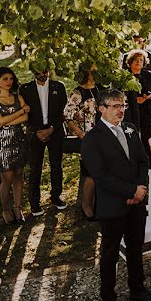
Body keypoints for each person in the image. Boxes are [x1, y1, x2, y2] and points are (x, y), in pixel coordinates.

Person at [82, 90, 151, 301]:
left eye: (123, 105)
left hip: (135, 202)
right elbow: (100, 175)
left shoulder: (131, 129)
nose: (121, 110)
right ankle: (108, 299)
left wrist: (139, 188)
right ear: (101, 108)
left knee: (136, 248)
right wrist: (129, 191)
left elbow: (141, 160)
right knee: (110, 254)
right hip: (111, 205)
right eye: (115, 105)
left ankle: (137, 288)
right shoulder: (92, 139)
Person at [20, 65, 68, 216]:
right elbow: (24, 115)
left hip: (55, 131)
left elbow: (63, 111)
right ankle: (34, 203)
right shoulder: (25, 89)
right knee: (35, 168)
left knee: (56, 165)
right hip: (35, 133)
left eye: (45, 71)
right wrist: (36, 131)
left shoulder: (59, 87)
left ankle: (56, 197)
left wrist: (52, 128)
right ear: (33, 72)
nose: (42, 74)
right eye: (38, 72)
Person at [0, 67, 29, 225]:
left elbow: (25, 118)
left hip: (19, 139)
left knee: (19, 174)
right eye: (5, 79)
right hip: (2, 142)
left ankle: (18, 208)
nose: (8, 82)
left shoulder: (18, 97)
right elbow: (1, 119)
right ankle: (6, 209)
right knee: (7, 177)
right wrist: (20, 111)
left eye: (11, 79)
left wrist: (3, 122)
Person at [64, 63, 102, 220]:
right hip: (88, 138)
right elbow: (67, 116)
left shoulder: (99, 89)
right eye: (93, 69)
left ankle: (98, 204)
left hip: (103, 136)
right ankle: (85, 205)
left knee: (101, 171)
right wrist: (80, 134)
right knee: (91, 172)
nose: (96, 71)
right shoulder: (77, 92)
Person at [126, 49, 151, 153]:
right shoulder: (125, 76)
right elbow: (121, 94)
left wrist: (149, 96)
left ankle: (147, 161)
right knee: (131, 136)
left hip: (146, 110)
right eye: (136, 60)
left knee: (146, 137)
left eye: (141, 60)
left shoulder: (148, 74)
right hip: (130, 111)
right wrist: (134, 99)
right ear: (130, 62)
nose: (138, 62)